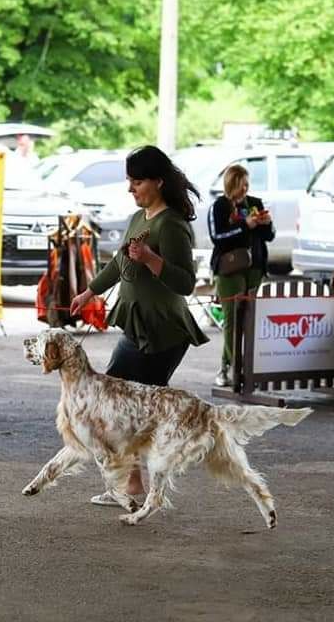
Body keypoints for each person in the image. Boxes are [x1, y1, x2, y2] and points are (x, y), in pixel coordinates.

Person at [70, 145, 209, 505]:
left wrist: (150, 259)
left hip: (161, 333)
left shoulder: (172, 225)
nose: (130, 188)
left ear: (158, 182)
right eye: (129, 181)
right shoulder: (140, 218)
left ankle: (132, 487)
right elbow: (118, 264)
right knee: (124, 408)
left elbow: (186, 283)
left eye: (137, 181)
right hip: (138, 328)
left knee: (123, 407)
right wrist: (89, 292)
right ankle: (131, 487)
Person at [208, 164, 274, 386]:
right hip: (229, 268)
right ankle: (234, 368)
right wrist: (245, 225)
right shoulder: (219, 206)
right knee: (232, 319)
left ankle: (240, 366)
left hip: (255, 266)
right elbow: (218, 237)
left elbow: (269, 236)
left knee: (251, 319)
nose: (245, 188)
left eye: (247, 183)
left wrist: (266, 223)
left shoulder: (254, 203)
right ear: (230, 184)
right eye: (240, 184)